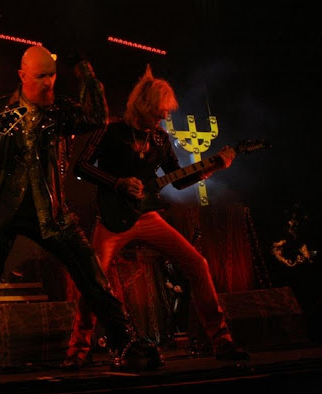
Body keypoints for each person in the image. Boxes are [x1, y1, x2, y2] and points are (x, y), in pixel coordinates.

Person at [0, 45, 163, 373]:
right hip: (1, 212)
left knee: (92, 275)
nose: (48, 83)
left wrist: (84, 69)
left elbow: (96, 117)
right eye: (40, 76)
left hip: (51, 210)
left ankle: (125, 341)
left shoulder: (61, 110)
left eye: (52, 76)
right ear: (22, 75)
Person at [62, 64, 250, 370]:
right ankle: (77, 351)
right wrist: (117, 183)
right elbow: (81, 167)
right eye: (158, 113)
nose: (162, 118)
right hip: (111, 220)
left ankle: (222, 341)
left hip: (148, 217)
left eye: (164, 114)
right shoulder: (110, 129)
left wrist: (212, 166)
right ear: (142, 105)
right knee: (93, 279)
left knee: (198, 264)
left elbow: (178, 180)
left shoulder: (160, 139)